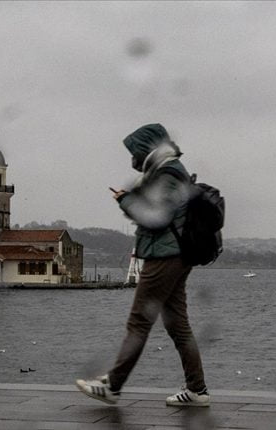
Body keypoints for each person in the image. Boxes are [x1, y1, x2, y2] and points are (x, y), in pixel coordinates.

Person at [75, 123, 209, 407]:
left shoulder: (168, 173)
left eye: (134, 152)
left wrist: (125, 201)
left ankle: (112, 386)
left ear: (147, 149)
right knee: (178, 325)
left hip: (164, 256)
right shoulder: (167, 170)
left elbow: (156, 217)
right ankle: (197, 390)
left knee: (139, 321)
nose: (132, 159)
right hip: (175, 255)